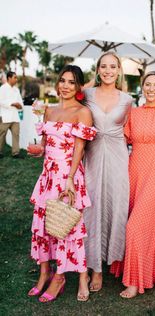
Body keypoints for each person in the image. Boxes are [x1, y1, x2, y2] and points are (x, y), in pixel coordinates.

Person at [28, 65, 96, 302]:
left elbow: (80, 147)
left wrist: (69, 179)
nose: (65, 86)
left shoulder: (82, 112)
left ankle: (60, 276)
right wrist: (38, 150)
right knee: (43, 225)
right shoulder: (50, 111)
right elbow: (46, 144)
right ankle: (44, 272)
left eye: (71, 82)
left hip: (67, 175)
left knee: (66, 227)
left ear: (78, 87)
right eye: (63, 81)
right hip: (47, 175)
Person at [119, 71, 155, 298]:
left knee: (136, 225)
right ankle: (141, 271)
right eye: (147, 85)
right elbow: (121, 140)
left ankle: (134, 281)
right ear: (142, 87)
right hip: (134, 171)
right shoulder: (132, 113)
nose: (151, 89)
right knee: (135, 222)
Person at [83, 52, 133, 292]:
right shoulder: (87, 94)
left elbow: (135, 130)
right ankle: (95, 268)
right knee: (92, 208)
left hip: (118, 157)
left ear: (119, 70)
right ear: (98, 69)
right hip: (92, 155)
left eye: (113, 66)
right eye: (103, 66)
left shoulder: (127, 99)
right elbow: (72, 114)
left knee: (115, 205)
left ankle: (113, 259)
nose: (108, 71)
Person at [0, 71, 24, 158]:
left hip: (15, 116)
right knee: (2, 134)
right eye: (15, 77)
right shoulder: (2, 88)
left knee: (16, 134)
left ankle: (16, 153)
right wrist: (12, 104)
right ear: (9, 78)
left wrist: (20, 105)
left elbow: (20, 102)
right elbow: (1, 101)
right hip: (5, 116)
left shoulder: (16, 90)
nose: (16, 79)